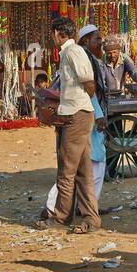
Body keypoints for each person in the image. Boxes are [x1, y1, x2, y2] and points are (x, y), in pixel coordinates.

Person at [37, 17, 103, 234]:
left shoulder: (72, 51)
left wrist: (80, 101)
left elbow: (89, 81)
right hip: (78, 113)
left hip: (76, 115)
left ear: (57, 33)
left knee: (66, 170)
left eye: (52, 34)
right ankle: (90, 218)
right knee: (83, 171)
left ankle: (61, 217)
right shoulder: (70, 52)